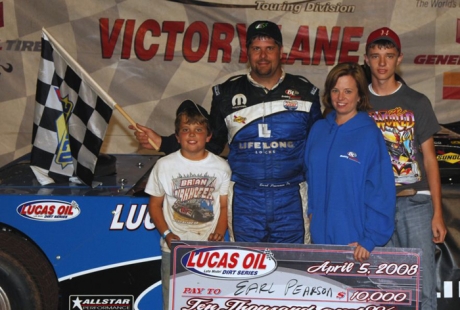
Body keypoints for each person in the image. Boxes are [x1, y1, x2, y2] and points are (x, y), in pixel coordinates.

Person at [133, 20, 322, 243]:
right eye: (256, 49)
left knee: (293, 270)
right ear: (247, 53)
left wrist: (320, 202)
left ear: (281, 52)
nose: (263, 55)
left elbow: (319, 152)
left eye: (269, 48)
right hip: (245, 199)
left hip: (291, 198)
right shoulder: (226, 93)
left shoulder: (305, 92)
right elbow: (211, 143)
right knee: (246, 268)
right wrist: (164, 143)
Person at [364, 27, 447, 309]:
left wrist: (437, 212)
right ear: (366, 59)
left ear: (399, 58)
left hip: (415, 202)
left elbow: (430, 160)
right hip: (375, 206)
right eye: (376, 56)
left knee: (422, 284)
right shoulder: (357, 103)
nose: (382, 63)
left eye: (389, 55)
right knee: (383, 286)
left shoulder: (417, 102)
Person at [304, 62, 396, 263]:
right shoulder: (318, 130)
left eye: (348, 91)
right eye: (335, 90)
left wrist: (370, 238)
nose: (340, 97)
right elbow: (309, 176)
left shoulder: (369, 135)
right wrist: (312, 213)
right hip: (319, 237)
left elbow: (381, 190)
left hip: (355, 241)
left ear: (360, 95)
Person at [144, 99, 231, 310]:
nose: (192, 134)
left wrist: (219, 232)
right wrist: (166, 234)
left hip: (209, 248)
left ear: (209, 136)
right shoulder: (163, 166)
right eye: (185, 129)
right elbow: (154, 205)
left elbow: (224, 205)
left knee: (209, 302)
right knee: (173, 302)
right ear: (177, 136)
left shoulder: (221, 167)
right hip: (174, 249)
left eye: (198, 129)